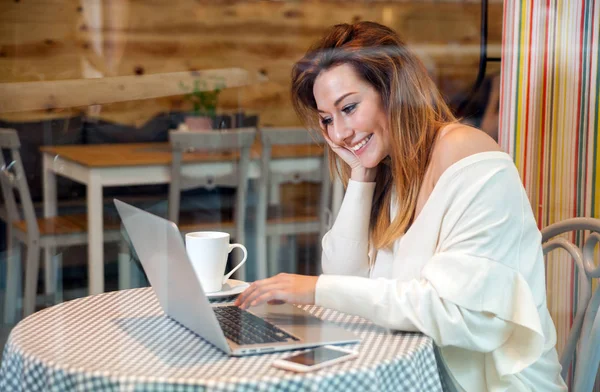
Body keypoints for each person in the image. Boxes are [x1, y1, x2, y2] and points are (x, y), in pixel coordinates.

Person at [235, 21, 566, 391]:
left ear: (393, 91)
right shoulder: (392, 168)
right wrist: (360, 174)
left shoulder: (467, 154)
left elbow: (461, 316)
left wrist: (314, 289)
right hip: (420, 375)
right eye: (327, 119)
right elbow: (346, 275)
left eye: (349, 108)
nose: (339, 133)